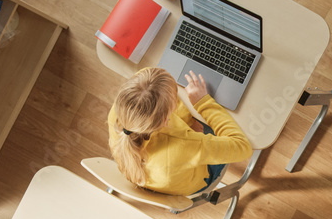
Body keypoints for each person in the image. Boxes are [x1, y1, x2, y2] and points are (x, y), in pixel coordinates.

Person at [107, 67, 252, 196]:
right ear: (165, 121)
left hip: (157, 175)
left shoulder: (119, 113)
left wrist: (189, 121)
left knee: (193, 120)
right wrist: (203, 102)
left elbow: (143, 78)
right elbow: (242, 147)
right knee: (236, 117)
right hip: (199, 176)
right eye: (173, 102)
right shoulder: (185, 145)